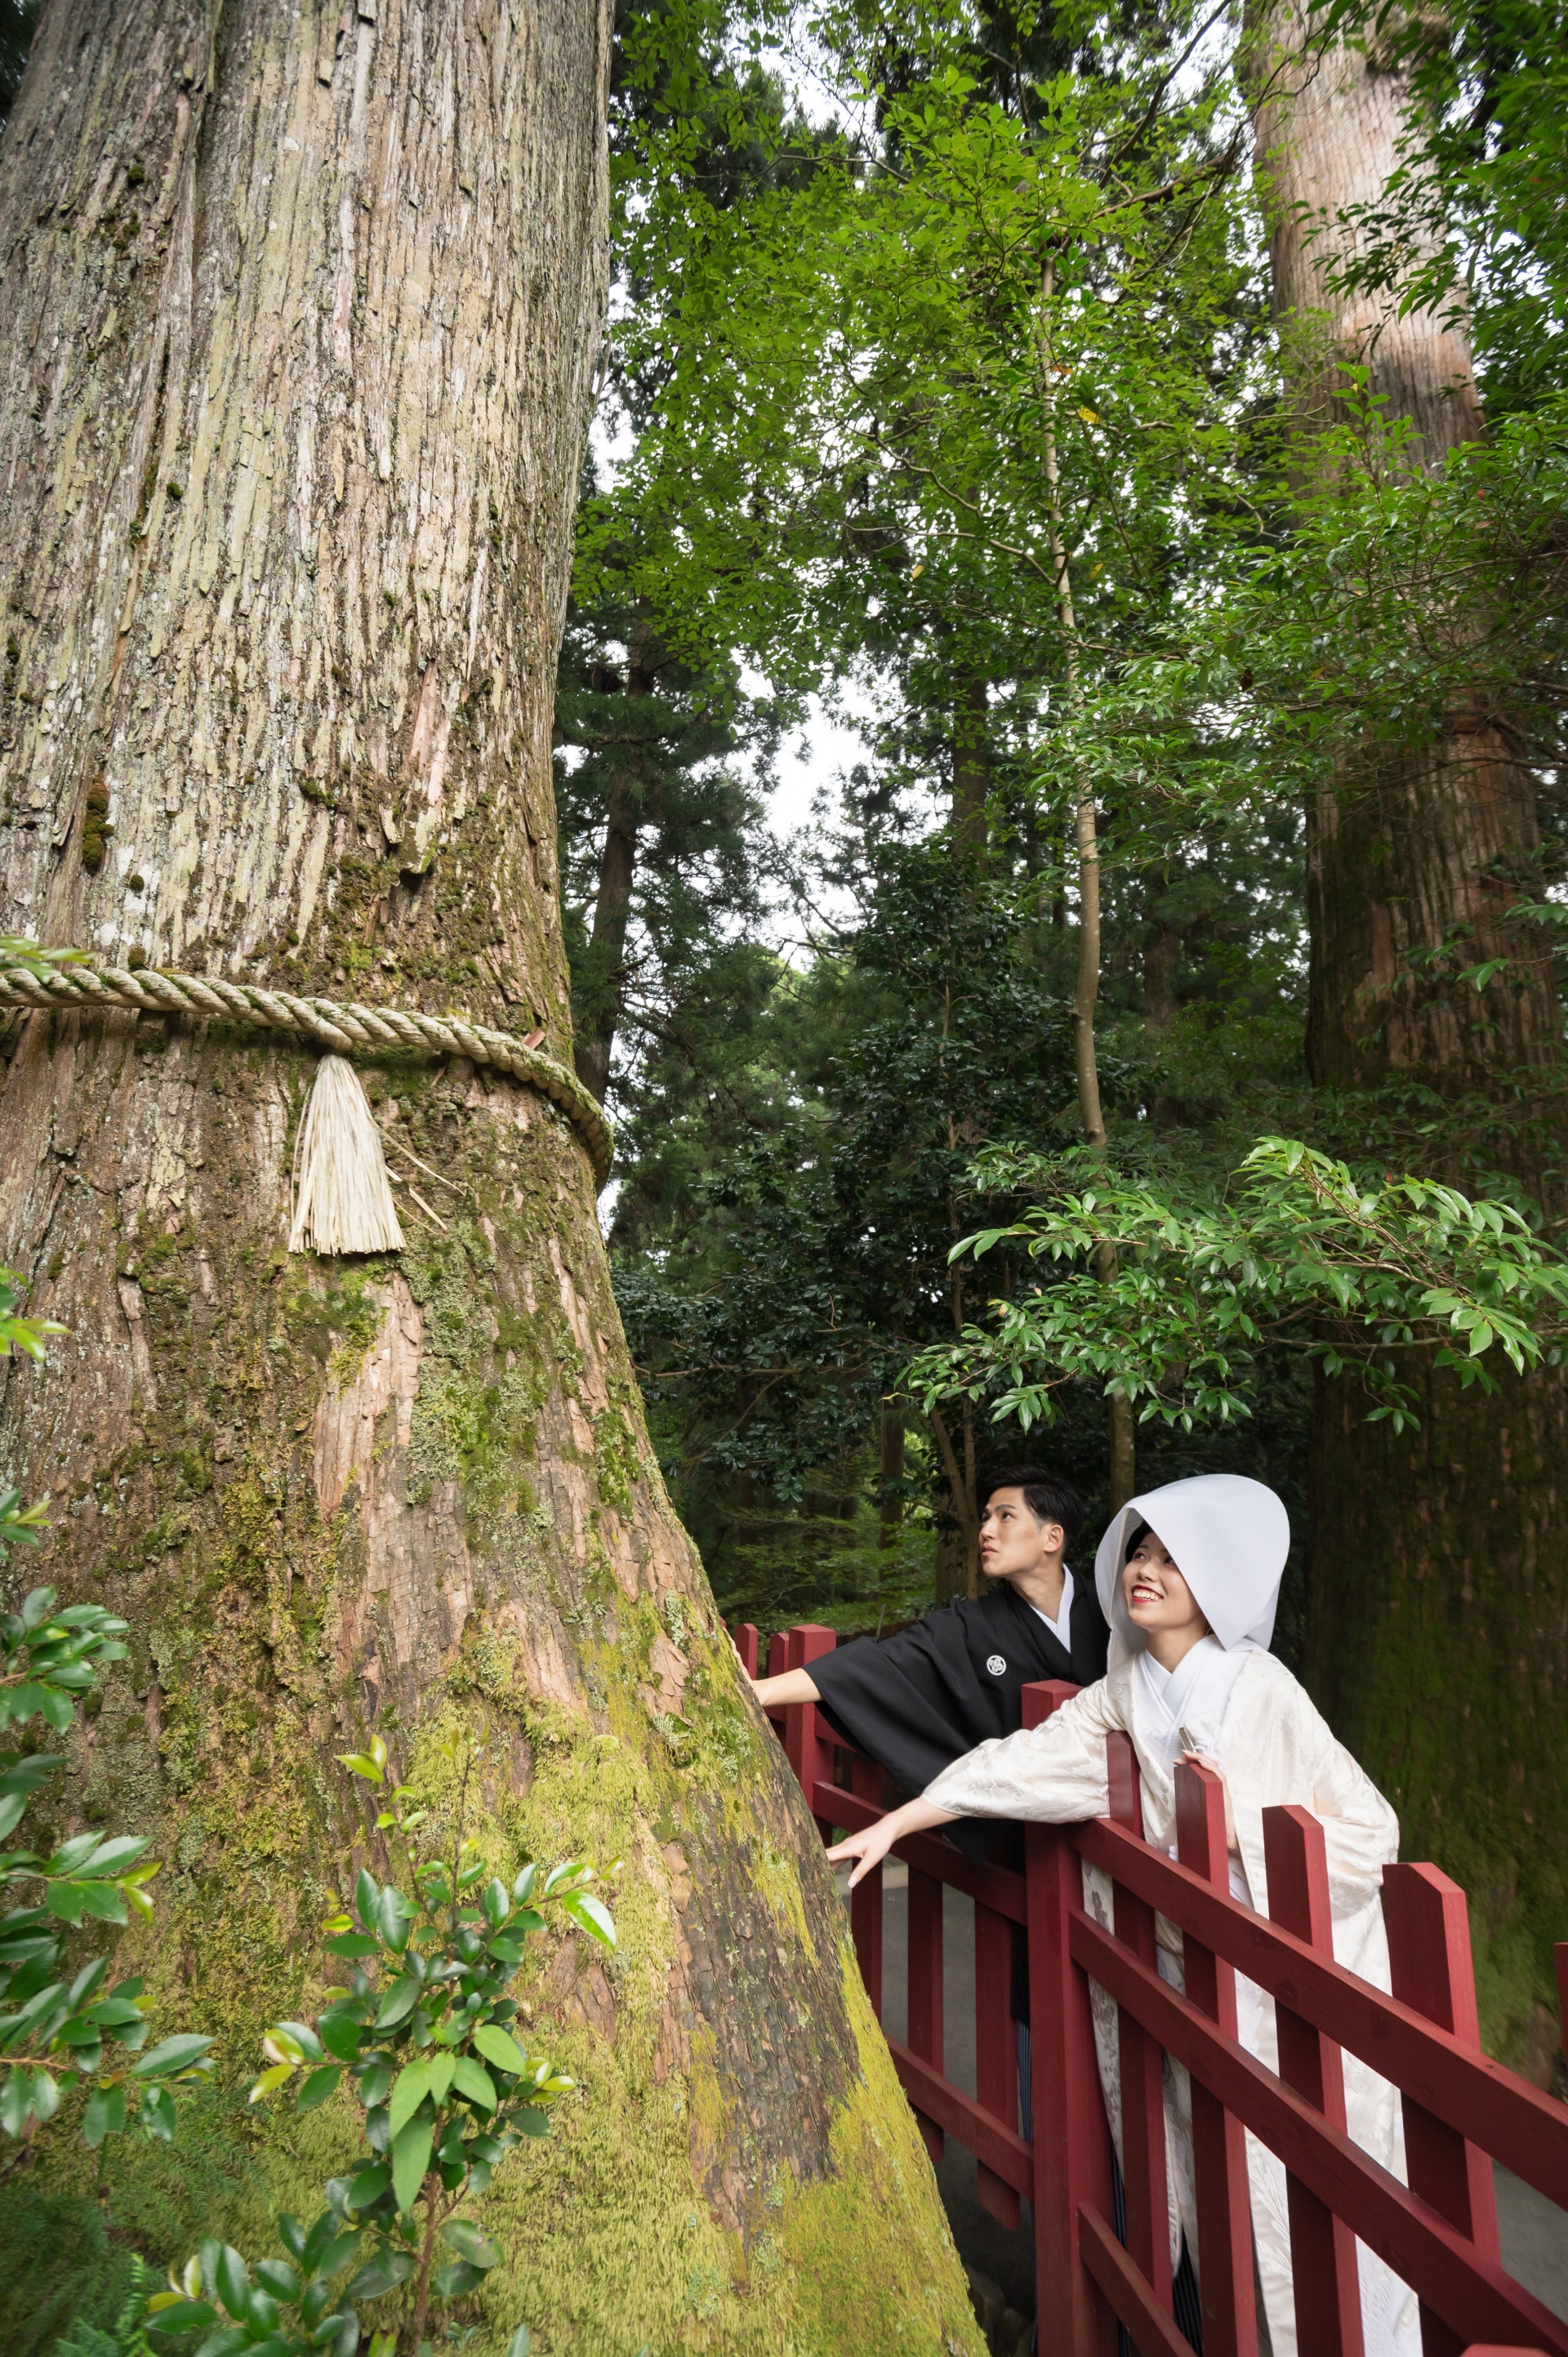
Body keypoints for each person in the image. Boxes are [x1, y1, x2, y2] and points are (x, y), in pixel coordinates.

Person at [826, 1473, 1419, 2357]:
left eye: (1172, 1561)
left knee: (1318, 2207)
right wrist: (900, 1822)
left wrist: (1226, 1847)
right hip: (1185, 1981)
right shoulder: (1126, 1688)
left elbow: (1372, 1831)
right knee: (1207, 2196)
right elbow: (1018, 1763)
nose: (1146, 1570)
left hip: (1290, 1984)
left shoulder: (1264, 1690)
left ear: (1214, 1584)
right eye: (1140, 1552)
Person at [751, 1464, 1109, 1842]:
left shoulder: (1113, 1612)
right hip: (1034, 1832)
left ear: (1052, 1537)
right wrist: (760, 1692)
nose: (986, 1530)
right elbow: (877, 1664)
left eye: (1005, 1517)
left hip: (1122, 1818)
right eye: (986, 1518)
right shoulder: (972, 1623)